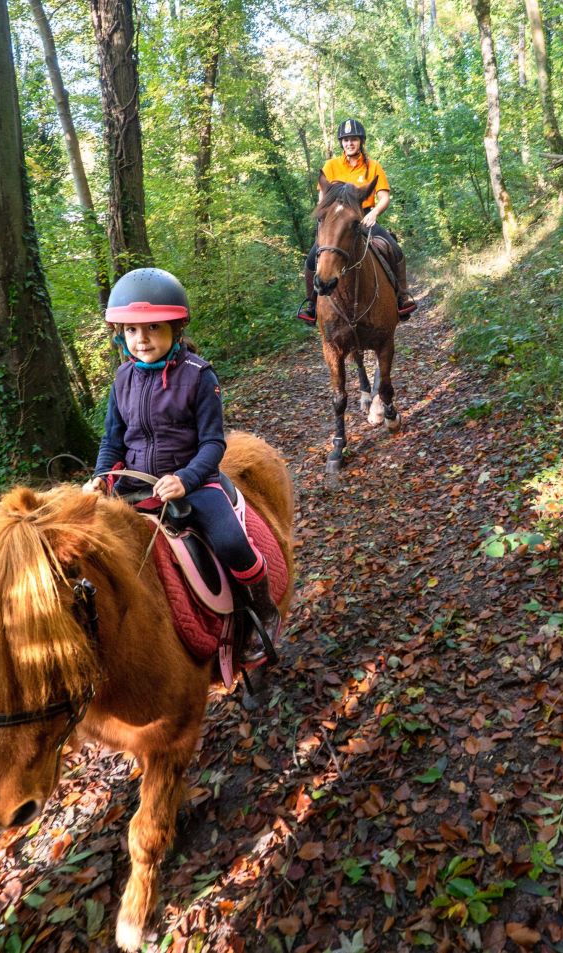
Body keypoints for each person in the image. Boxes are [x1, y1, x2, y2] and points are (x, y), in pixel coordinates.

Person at [83, 267, 280, 666]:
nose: (142, 339)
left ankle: (261, 613)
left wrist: (185, 479)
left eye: (153, 328)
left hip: (195, 482)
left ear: (175, 328)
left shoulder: (199, 376)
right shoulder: (122, 379)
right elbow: (113, 440)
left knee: (231, 543)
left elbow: (213, 443)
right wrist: (102, 477)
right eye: (132, 331)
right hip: (133, 484)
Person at [296, 118, 417, 325]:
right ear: (341, 143)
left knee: (394, 248)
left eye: (353, 139)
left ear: (361, 141)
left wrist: (374, 213)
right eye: (345, 140)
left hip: (364, 217)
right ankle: (311, 305)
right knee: (311, 257)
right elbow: (323, 199)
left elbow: (384, 197)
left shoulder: (373, 167)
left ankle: (401, 298)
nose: (349, 143)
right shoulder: (331, 166)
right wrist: (327, 219)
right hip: (336, 221)